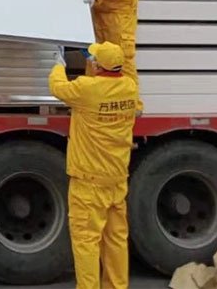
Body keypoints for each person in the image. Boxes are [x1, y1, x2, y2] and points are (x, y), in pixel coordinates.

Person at [49, 41, 138, 289]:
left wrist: (58, 65)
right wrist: (98, 60)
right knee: (116, 240)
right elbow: (107, 80)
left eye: (94, 59)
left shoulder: (86, 89)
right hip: (116, 180)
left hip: (89, 184)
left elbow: (57, 87)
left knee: (86, 242)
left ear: (97, 66)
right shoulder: (130, 88)